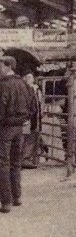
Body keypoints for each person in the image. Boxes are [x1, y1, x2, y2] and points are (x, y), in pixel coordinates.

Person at [0, 56, 36, 213]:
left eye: (0, 66)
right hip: (20, 129)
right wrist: (25, 118)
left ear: (8, 66)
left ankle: (5, 202)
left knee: (3, 164)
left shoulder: (3, 85)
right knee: (16, 163)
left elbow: (1, 107)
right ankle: (17, 197)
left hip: (5, 128)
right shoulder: (24, 84)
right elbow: (33, 106)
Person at [21, 71, 43, 169]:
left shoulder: (35, 89)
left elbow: (39, 104)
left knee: (31, 137)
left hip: (33, 117)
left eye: (31, 77)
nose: (30, 79)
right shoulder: (29, 89)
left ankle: (27, 159)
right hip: (29, 117)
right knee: (26, 138)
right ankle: (25, 159)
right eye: (28, 77)